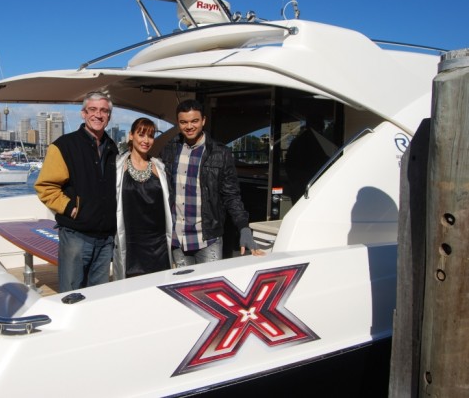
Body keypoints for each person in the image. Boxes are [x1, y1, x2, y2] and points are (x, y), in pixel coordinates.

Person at [160, 99, 263, 266]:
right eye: (183, 122)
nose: (189, 126)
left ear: (203, 121)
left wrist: (243, 227)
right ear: (178, 123)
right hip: (177, 239)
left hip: (208, 238)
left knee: (207, 289)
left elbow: (231, 195)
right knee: (182, 290)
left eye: (194, 121)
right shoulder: (169, 150)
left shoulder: (220, 153)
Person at [34, 91, 119, 292]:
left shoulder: (113, 148)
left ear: (109, 116)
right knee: (72, 294)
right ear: (83, 113)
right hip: (76, 236)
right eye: (93, 110)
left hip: (106, 238)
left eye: (104, 111)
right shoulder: (64, 146)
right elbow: (45, 187)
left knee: (98, 296)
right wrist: (72, 208)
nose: (98, 115)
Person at [114, 118, 173, 279]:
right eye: (141, 135)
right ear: (131, 136)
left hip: (158, 245)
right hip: (131, 244)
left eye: (151, 136)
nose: (146, 141)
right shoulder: (118, 167)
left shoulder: (159, 167)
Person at [285, 111, 337, 203]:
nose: (324, 125)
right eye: (321, 122)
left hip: (299, 185)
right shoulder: (318, 141)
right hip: (310, 185)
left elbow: (289, 164)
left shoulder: (298, 141)